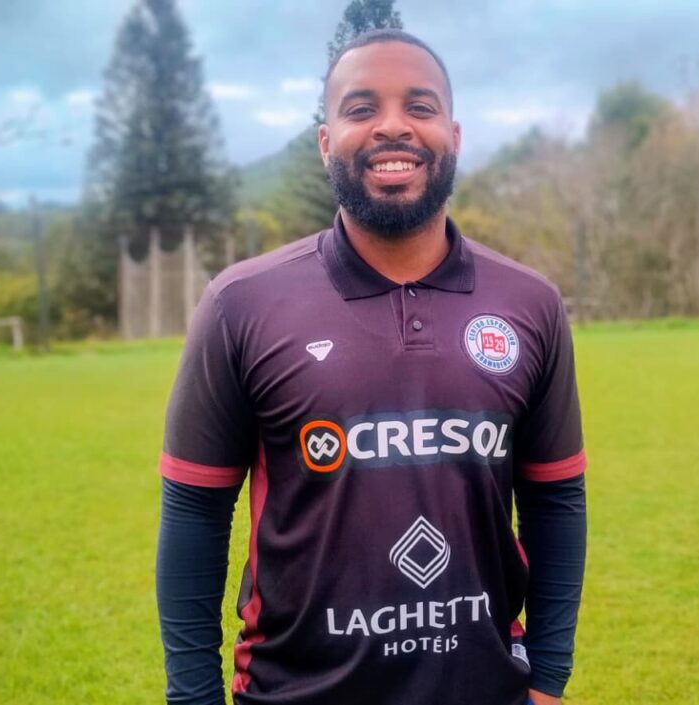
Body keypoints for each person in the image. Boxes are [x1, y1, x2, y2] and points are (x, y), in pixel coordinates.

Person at [156, 29, 587, 705]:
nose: (393, 126)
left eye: (420, 106)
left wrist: (549, 676)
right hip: (292, 692)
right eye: (361, 109)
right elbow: (194, 509)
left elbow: (555, 498)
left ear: (453, 135)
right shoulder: (240, 303)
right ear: (326, 142)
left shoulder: (530, 303)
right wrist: (192, 696)